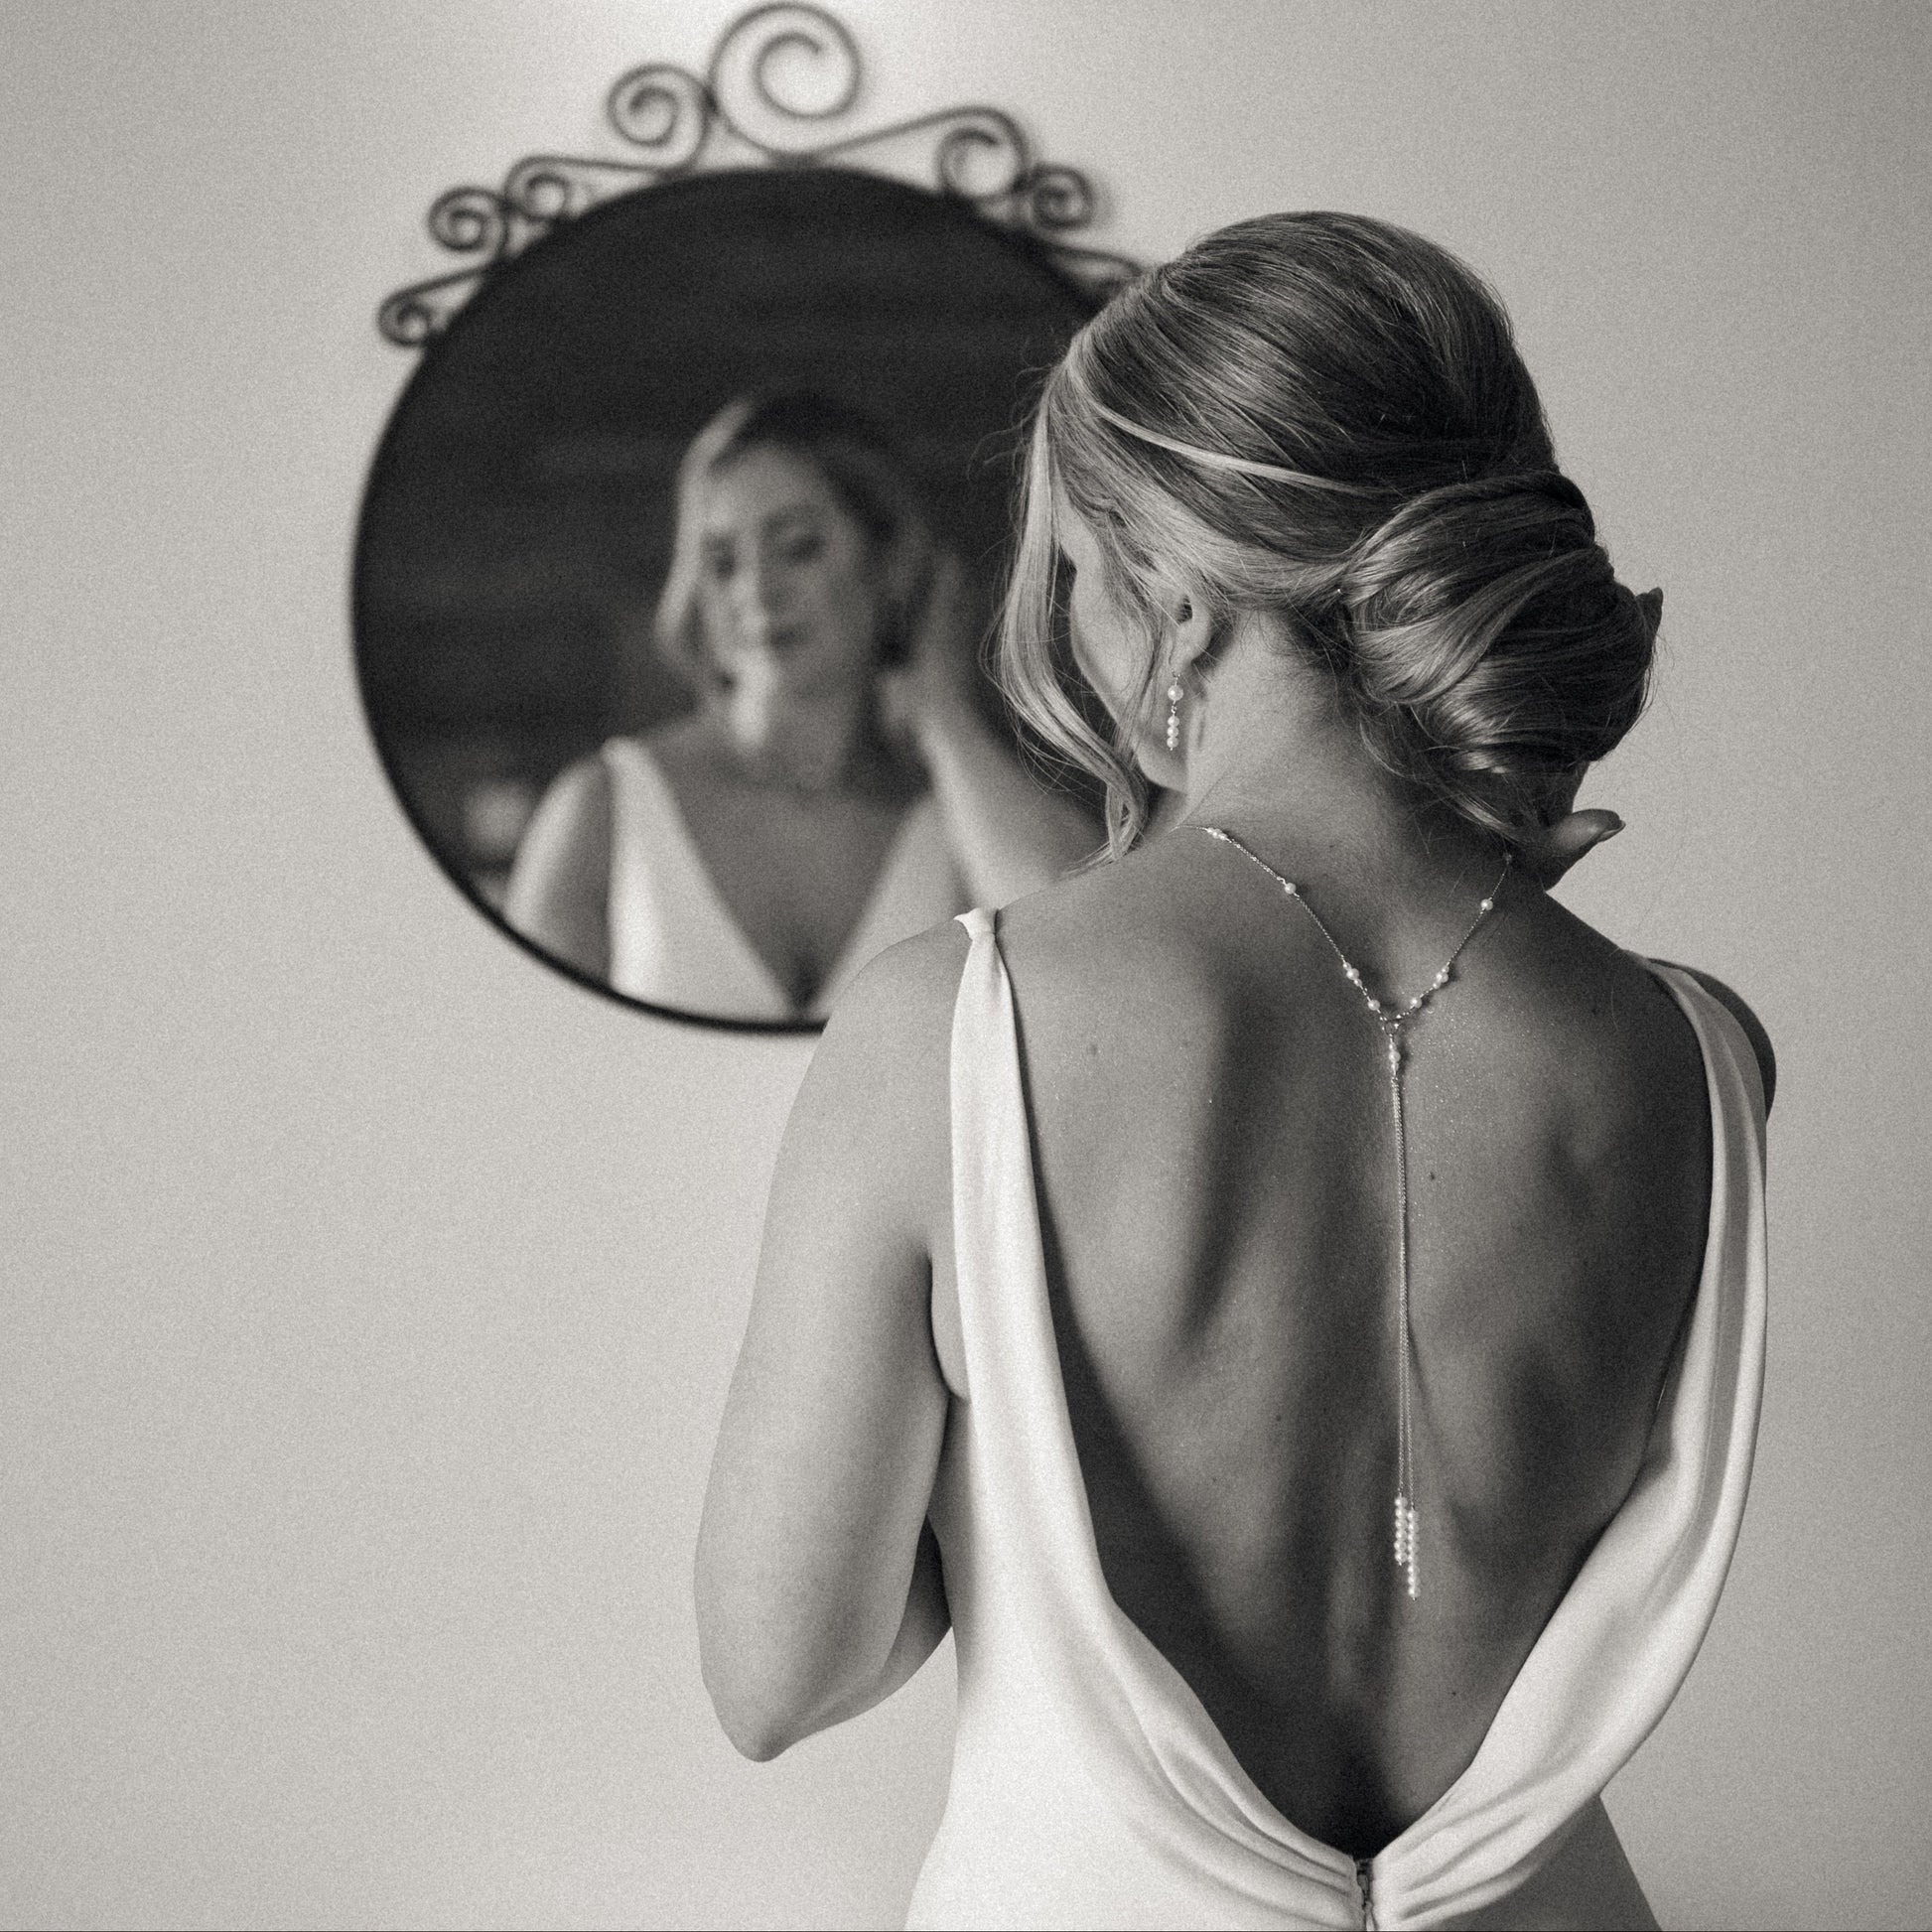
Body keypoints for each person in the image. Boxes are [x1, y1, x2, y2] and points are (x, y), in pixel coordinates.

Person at [696, 214, 1773, 1928]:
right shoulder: (1696, 1051)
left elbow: (782, 1670)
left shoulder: (956, 1027)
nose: (1067, 620)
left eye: (1074, 568)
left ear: (1176, 597)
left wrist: (1011, 1478)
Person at [503, 393, 1092, 1021]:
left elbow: (1080, 956)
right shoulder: (604, 809)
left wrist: (944, 717)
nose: (756, 590)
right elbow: (521, 1052)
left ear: (890, 563)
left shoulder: (959, 818)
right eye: (721, 563)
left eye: (798, 547)